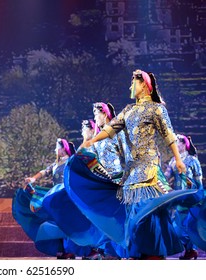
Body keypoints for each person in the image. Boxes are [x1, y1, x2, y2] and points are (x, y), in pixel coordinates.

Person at [80, 69, 189, 259]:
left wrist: (178, 159)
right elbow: (111, 129)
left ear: (144, 86)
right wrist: (92, 140)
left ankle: (153, 253)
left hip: (149, 170)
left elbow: (168, 134)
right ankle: (139, 253)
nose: (130, 86)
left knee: (149, 213)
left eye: (134, 83)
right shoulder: (128, 110)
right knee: (133, 214)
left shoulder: (156, 109)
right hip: (132, 173)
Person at [12, 138, 93, 259]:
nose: (56, 150)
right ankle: (62, 249)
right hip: (57, 196)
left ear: (63, 148)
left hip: (68, 196)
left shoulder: (71, 160)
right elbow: (44, 171)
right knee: (57, 222)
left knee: (69, 222)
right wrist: (33, 179)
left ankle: (78, 249)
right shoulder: (56, 164)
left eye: (57, 147)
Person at [164, 134, 203, 260]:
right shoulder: (173, 160)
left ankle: (191, 250)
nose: (175, 145)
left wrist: (200, 195)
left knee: (190, 223)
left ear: (184, 144)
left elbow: (198, 180)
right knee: (178, 225)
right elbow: (166, 176)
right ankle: (189, 249)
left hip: (191, 196)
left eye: (177, 142)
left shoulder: (193, 160)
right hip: (178, 196)